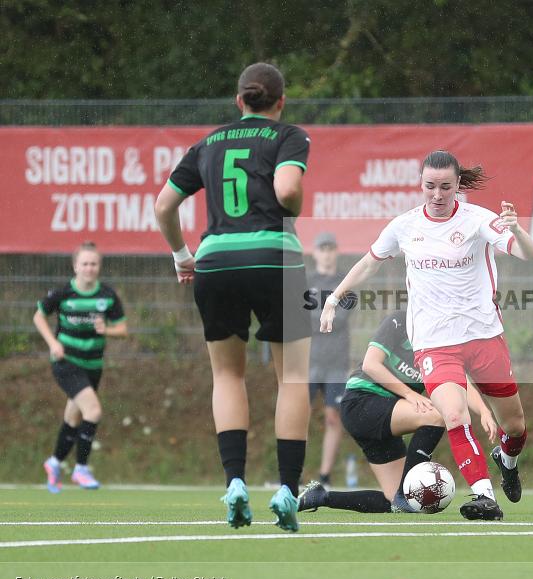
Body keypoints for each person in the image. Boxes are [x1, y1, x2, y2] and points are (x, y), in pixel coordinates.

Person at [320, 150, 533, 521]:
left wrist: (516, 229)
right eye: (430, 186)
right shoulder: (404, 226)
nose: (437, 195)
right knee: (453, 414)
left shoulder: (478, 220)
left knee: (514, 426)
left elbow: (527, 255)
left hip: (484, 337)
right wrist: (335, 297)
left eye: (445, 187)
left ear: (457, 187)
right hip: (435, 343)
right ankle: (485, 497)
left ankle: (507, 459)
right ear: (421, 185)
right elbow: (370, 262)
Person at [155, 62, 312, 531]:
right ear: (280, 102)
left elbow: (164, 204)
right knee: (294, 379)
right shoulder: (289, 135)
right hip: (275, 258)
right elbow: (287, 190)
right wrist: (296, 204)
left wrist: (184, 255)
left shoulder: (207, 144)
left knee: (226, 375)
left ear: (238, 101)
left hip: (216, 262)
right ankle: (286, 489)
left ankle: (236, 484)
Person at [298, 309, 496, 513]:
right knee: (435, 416)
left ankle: (321, 496)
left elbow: (456, 380)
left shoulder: (440, 340)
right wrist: (410, 394)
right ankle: (404, 494)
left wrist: (483, 410)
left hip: (387, 411)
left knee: (392, 502)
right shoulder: (400, 320)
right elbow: (371, 364)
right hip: (361, 401)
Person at [34, 241, 127, 493]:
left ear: (99, 266)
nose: (89, 268)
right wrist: (53, 343)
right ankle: (81, 469)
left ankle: (53, 463)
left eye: (94, 263)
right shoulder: (63, 292)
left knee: (73, 418)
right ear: (75, 266)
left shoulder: (107, 295)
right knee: (93, 411)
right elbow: (39, 315)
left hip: (93, 365)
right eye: (84, 263)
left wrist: (106, 329)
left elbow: (123, 328)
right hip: (66, 363)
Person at [306, 231, 352, 488]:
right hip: (309, 361)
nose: (326, 253)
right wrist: (323, 313)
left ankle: (324, 476)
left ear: (335, 251)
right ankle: (291, 471)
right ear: (315, 253)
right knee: (299, 415)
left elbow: (339, 318)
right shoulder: (307, 281)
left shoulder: (344, 283)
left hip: (336, 363)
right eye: (321, 248)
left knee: (333, 417)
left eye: (330, 248)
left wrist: (317, 314)